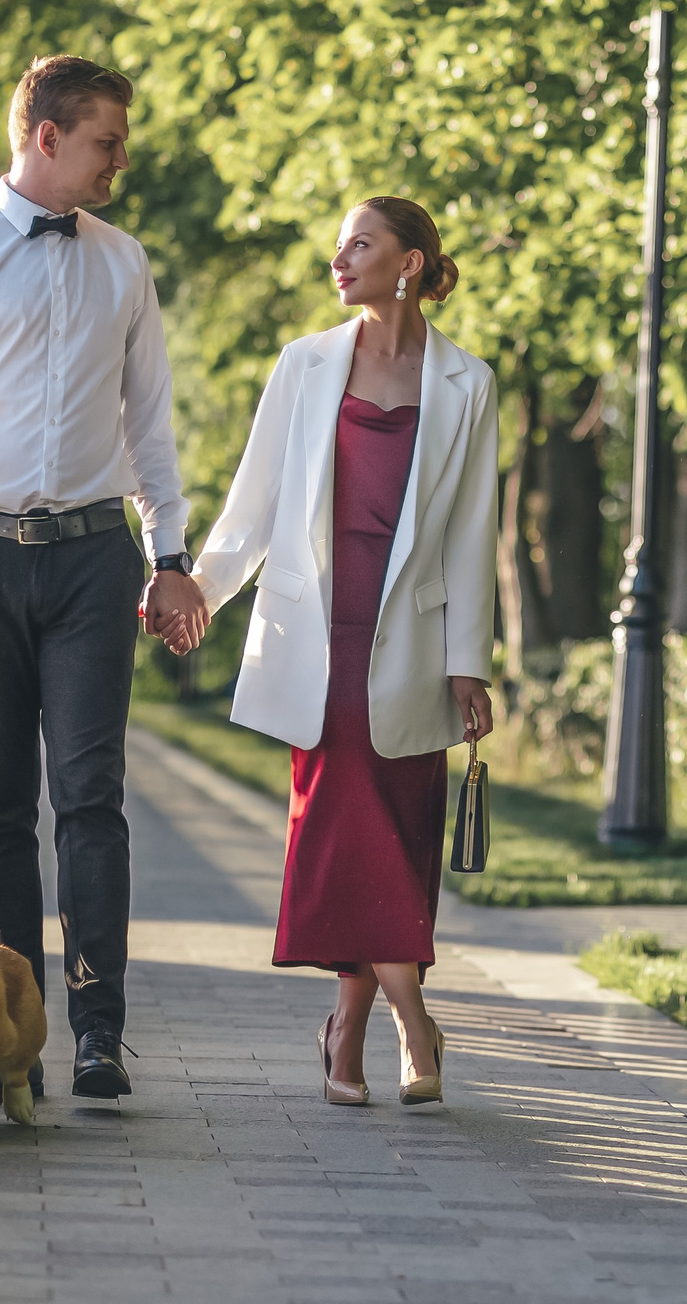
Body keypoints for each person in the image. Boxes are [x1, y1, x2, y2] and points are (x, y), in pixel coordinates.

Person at [0, 55, 209, 1101]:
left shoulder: (125, 262)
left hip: (93, 560)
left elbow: (148, 424)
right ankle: (7, 1031)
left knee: (91, 798)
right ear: (47, 134)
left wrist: (170, 556)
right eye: (107, 139)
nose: (119, 160)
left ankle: (100, 1029)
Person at [191, 196, 498, 1105]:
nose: (340, 257)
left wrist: (469, 658)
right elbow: (255, 500)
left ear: (408, 263)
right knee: (347, 818)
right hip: (315, 634)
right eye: (338, 245)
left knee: (393, 830)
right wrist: (199, 592)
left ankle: (346, 1032)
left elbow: (475, 530)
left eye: (359, 243)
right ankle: (413, 1022)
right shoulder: (306, 363)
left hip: (413, 635)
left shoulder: (468, 383)